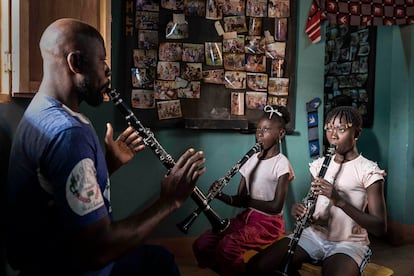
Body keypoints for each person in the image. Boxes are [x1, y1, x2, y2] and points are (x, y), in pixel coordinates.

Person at [6, 18, 206, 275]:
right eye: (102, 61)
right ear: (75, 63)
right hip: (73, 264)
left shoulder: (41, 110)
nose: (107, 71)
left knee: (158, 258)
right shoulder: (69, 134)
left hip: (52, 253)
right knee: (161, 265)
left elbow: (56, 193)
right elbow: (98, 249)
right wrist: (170, 201)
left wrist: (106, 166)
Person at [247, 106, 387, 276]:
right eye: (329, 128)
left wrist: (339, 200)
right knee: (256, 266)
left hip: (349, 243)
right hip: (315, 236)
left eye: (341, 129)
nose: (333, 135)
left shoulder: (369, 170)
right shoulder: (319, 166)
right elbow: (314, 213)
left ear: (357, 133)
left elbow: (380, 227)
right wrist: (303, 211)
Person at [192, 105, 295, 276]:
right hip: (246, 218)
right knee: (202, 244)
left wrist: (248, 201)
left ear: (281, 134)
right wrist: (221, 196)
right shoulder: (250, 159)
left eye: (267, 130)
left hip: (269, 224)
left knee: (228, 246)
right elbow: (239, 200)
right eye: (258, 129)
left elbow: (276, 207)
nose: (260, 134)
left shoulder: (281, 164)